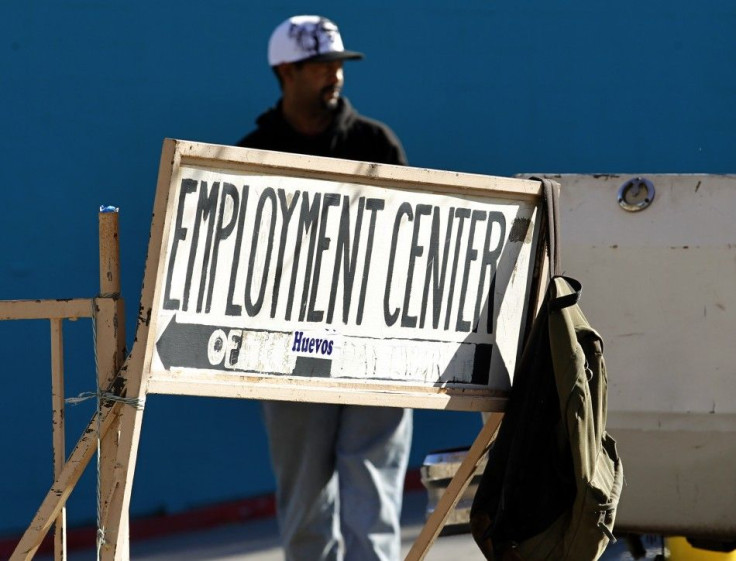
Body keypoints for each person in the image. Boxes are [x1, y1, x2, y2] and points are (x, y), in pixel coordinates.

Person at [236, 15, 413, 561]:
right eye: (320, 65)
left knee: (374, 489)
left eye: (338, 64)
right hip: (288, 348)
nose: (335, 75)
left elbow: (410, 240)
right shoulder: (253, 154)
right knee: (305, 495)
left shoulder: (376, 144)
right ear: (286, 71)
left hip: (375, 347)